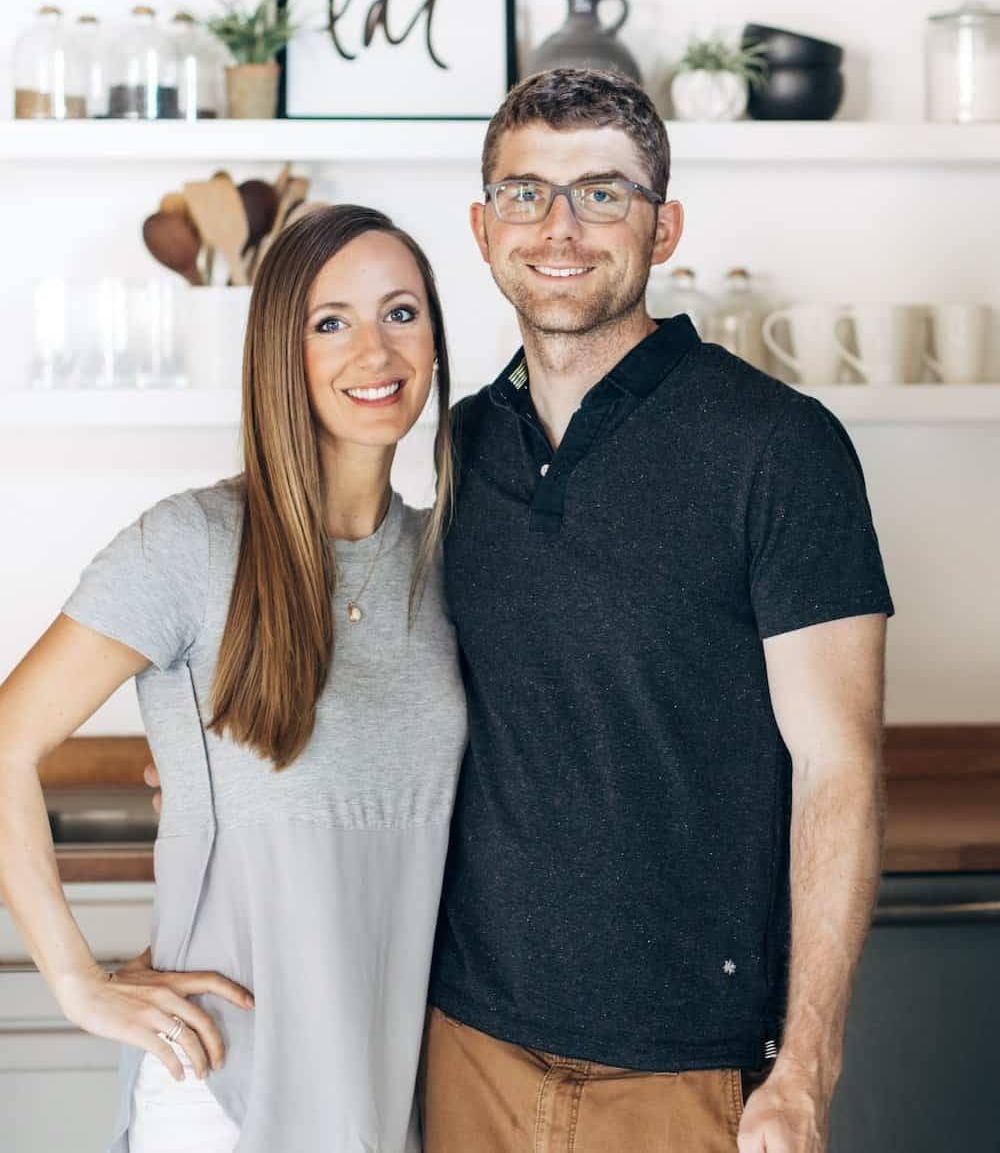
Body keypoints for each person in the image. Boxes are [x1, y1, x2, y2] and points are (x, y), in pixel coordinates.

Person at [419, 68, 894, 1153]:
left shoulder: (778, 448)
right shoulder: (458, 446)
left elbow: (841, 771)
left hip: (689, 1064)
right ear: (484, 225)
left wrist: (807, 1069)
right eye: (526, 193)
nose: (560, 227)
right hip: (469, 1041)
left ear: (663, 225)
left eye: (603, 193)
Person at [0, 205, 467, 1153]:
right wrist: (78, 981)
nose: (373, 350)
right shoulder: (192, 546)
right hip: (225, 1092)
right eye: (329, 321)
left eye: (402, 312)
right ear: (277, 354)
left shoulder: (448, 565)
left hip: (391, 1094)